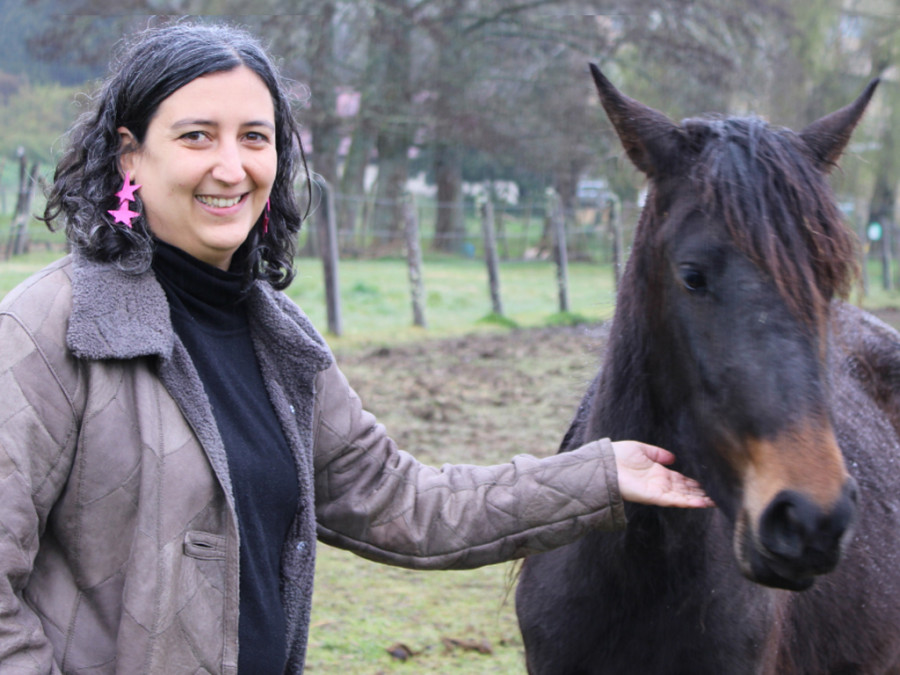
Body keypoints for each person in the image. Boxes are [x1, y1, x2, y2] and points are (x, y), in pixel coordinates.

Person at [0, 21, 712, 674]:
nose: (231, 166)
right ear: (130, 155)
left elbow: (406, 502)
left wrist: (599, 473)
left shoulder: (278, 341)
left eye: (254, 136)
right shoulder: (50, 328)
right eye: (196, 136)